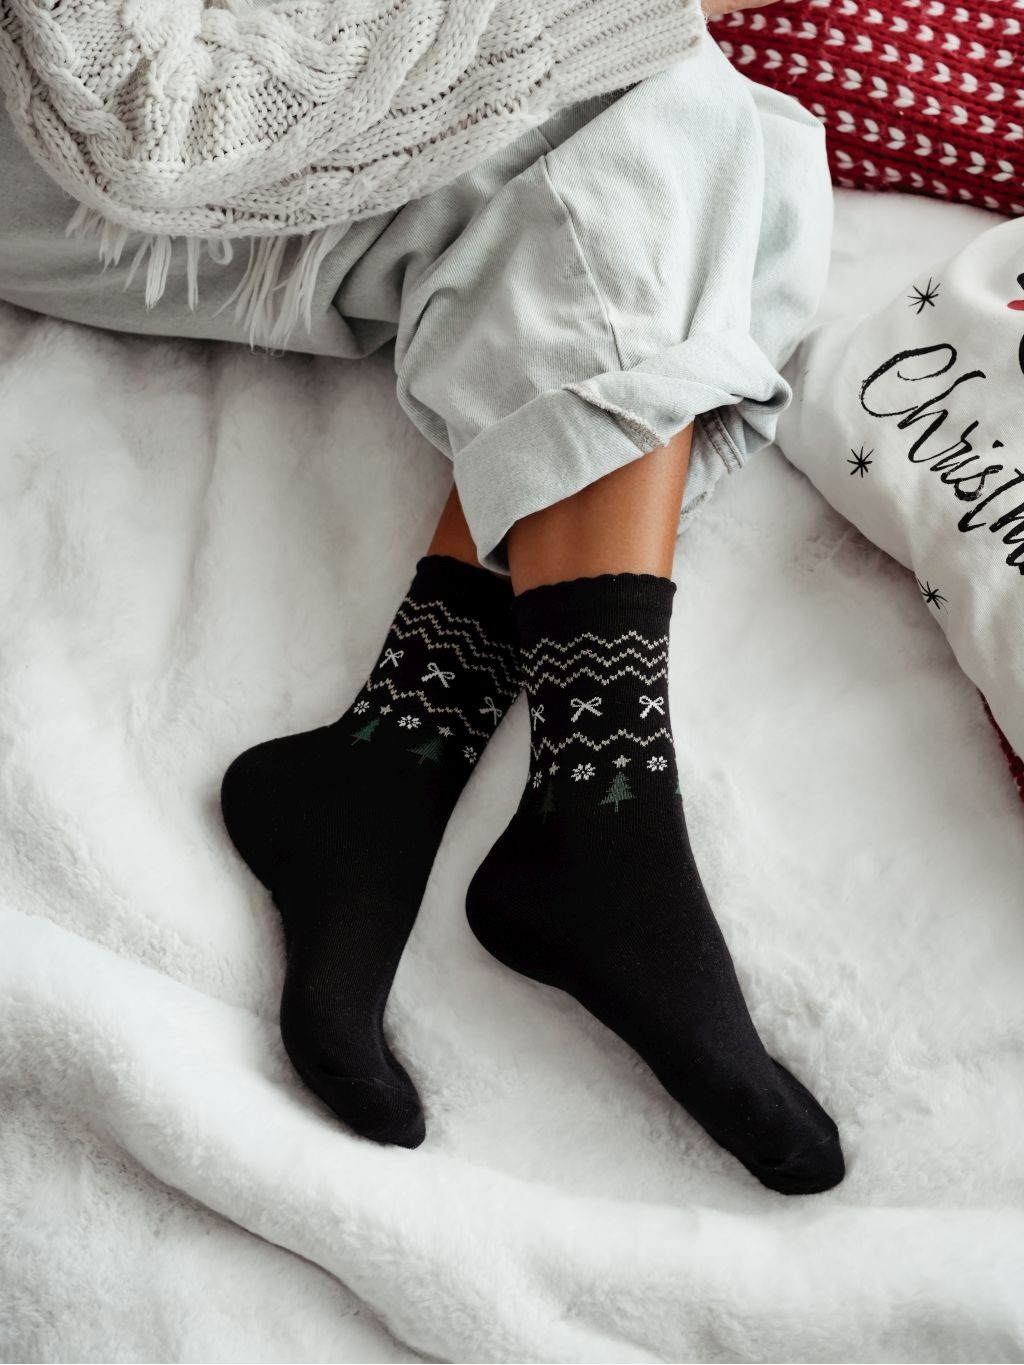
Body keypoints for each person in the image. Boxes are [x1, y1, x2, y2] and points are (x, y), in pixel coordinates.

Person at [0, 0, 844, 1193]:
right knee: (663, 119)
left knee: (752, 158)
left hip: (236, 103)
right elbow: (140, 123)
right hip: (90, 172)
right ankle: (599, 804)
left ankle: (401, 749)